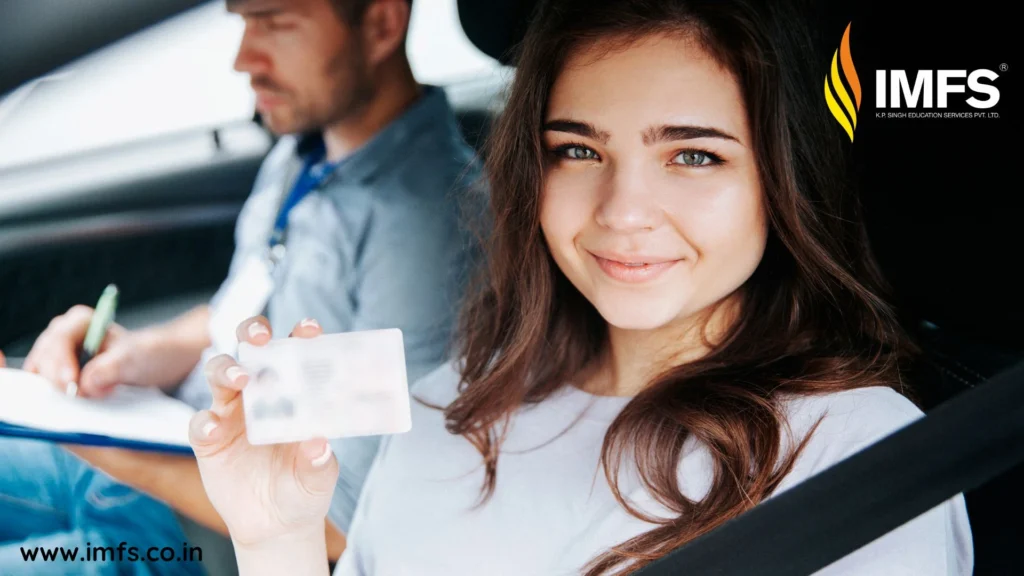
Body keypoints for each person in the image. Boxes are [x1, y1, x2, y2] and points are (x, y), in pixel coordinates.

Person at [189, 0, 974, 574]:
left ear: (782, 179)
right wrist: (277, 539)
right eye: (578, 151)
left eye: (694, 156)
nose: (623, 214)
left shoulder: (859, 450)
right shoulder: (445, 406)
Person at [0, 0, 480, 573]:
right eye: (243, 22)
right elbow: (236, 309)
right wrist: (139, 354)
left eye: (274, 23)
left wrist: (104, 446)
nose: (242, 59)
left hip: (202, 535)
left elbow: (344, 522)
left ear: (381, 24)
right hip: (158, 453)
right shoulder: (305, 150)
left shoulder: (429, 229)